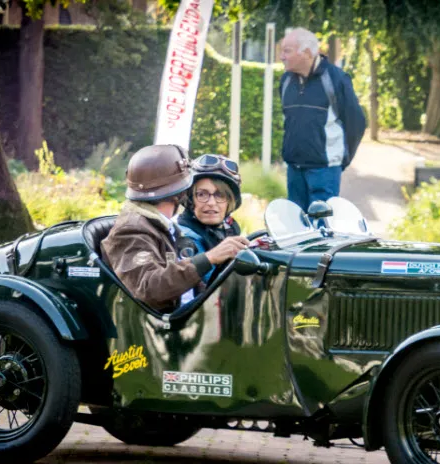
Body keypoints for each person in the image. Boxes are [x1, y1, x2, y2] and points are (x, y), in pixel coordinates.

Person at [100, 144, 249, 313]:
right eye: (200, 193)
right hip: (163, 331)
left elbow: (189, 285)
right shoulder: (132, 230)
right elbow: (149, 289)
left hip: (189, 317)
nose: (211, 202)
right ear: (181, 192)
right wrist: (209, 258)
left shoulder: (161, 225)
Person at [279, 27, 366, 212]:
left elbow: (356, 123)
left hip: (324, 171)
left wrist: (341, 160)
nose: (281, 56)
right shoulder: (286, 81)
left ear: (307, 53)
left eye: (287, 51)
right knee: (296, 228)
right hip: (294, 169)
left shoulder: (336, 79)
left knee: (323, 229)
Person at [176, 153, 244, 284]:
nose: (212, 203)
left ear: (230, 201)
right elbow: (207, 287)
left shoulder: (228, 228)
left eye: (220, 195)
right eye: (202, 194)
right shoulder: (184, 237)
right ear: (190, 199)